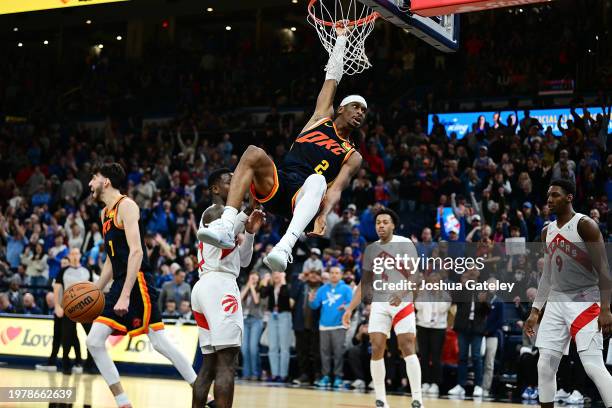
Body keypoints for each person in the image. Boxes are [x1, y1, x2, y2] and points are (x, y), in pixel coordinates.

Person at [197, 26, 364, 274]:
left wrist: (323, 215)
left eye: (364, 111)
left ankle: (285, 246)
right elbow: (332, 77)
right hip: (280, 184)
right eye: (355, 107)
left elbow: (336, 189)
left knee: (318, 180)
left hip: (304, 199)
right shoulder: (320, 118)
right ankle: (226, 225)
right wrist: (340, 40)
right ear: (340, 108)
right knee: (253, 151)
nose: (360, 112)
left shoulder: (353, 155)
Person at [85, 163, 197, 408]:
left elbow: (136, 252)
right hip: (119, 281)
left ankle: (198, 388)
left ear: (106, 181)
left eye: (93, 178)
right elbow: (111, 259)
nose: (90, 184)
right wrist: (96, 288)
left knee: (158, 340)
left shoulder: (127, 206)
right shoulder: (104, 214)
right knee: (94, 341)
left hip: (138, 281)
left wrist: (125, 294)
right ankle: (123, 401)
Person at [524, 179, 612, 408]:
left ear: (569, 197)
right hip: (555, 302)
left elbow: (604, 270)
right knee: (544, 366)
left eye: (555, 195)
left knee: (593, 366)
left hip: (585, 301)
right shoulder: (547, 232)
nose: (549, 199)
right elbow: (547, 276)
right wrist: (535, 311)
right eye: (548, 195)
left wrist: (606, 309)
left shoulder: (585, 225)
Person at [192, 167, 265, 408]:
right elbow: (230, 226)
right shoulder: (217, 211)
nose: (236, 184)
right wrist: (247, 212)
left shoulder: (228, 218)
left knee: (210, 364)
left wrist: (250, 233)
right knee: (227, 362)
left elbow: (243, 261)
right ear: (215, 189)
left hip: (206, 287)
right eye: (229, 181)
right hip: (219, 286)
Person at [342, 208, 423, 408]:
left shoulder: (405, 243)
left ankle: (417, 399)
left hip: (402, 301)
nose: (381, 225)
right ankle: (381, 399)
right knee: (377, 346)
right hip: (380, 302)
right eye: (378, 222)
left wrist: (402, 294)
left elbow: (416, 277)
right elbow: (364, 283)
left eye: (385, 222)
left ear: (393, 225)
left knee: (407, 347)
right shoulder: (371, 250)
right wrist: (349, 309)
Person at [309, 266, 353, 389]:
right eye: (332, 273)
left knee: (338, 353)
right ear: (329, 275)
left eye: (337, 273)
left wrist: (346, 307)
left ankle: (338, 377)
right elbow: (315, 306)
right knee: (324, 354)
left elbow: (352, 303)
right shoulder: (322, 289)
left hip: (339, 326)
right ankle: (326, 376)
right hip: (324, 326)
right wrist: (311, 301)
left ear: (341, 275)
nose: (334, 275)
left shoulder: (346, 289)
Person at [54, 247, 95, 374]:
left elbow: (92, 290)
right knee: (67, 338)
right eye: (72, 253)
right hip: (69, 308)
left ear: (80, 255)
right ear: (69, 256)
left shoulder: (87, 270)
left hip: (85, 308)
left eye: (77, 253)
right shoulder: (63, 271)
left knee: (92, 337)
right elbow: (57, 288)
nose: (75, 255)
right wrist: (57, 306)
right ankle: (66, 366)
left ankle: (89, 365)